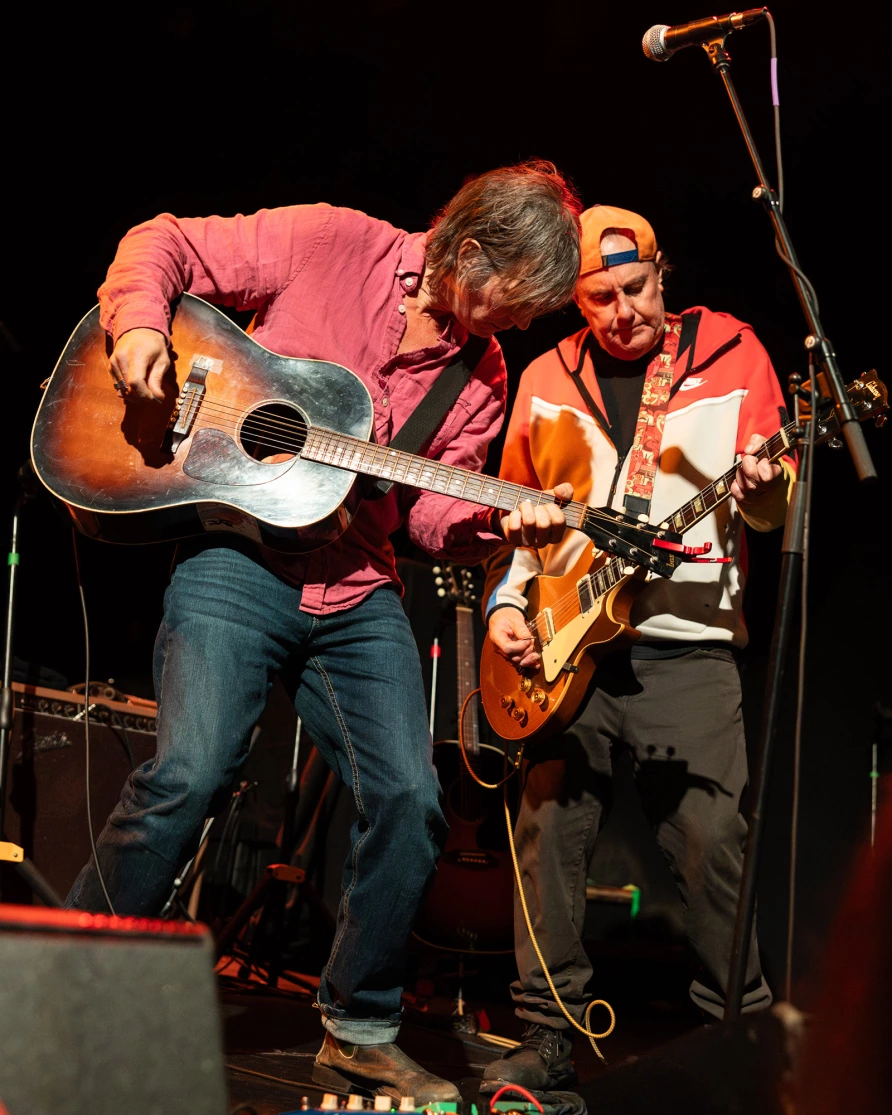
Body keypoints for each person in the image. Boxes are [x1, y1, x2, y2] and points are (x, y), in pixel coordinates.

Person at [65, 161, 582, 1102]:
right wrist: (140, 327)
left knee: (411, 798)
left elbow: (427, 520)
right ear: (467, 255)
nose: (520, 328)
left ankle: (359, 1026)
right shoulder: (332, 240)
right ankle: (60, 989)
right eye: (517, 304)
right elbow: (164, 238)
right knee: (190, 773)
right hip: (235, 558)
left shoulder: (483, 375)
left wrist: (500, 522)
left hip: (355, 590)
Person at [481, 204, 795, 1093]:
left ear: (665, 274)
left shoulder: (735, 351)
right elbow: (517, 520)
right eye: (598, 298)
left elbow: (770, 512)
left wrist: (766, 487)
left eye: (634, 288)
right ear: (572, 300)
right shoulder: (543, 375)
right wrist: (508, 602)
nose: (621, 311)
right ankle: (547, 1033)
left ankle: (738, 1038)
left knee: (710, 841)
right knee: (544, 837)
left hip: (686, 647)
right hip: (561, 646)